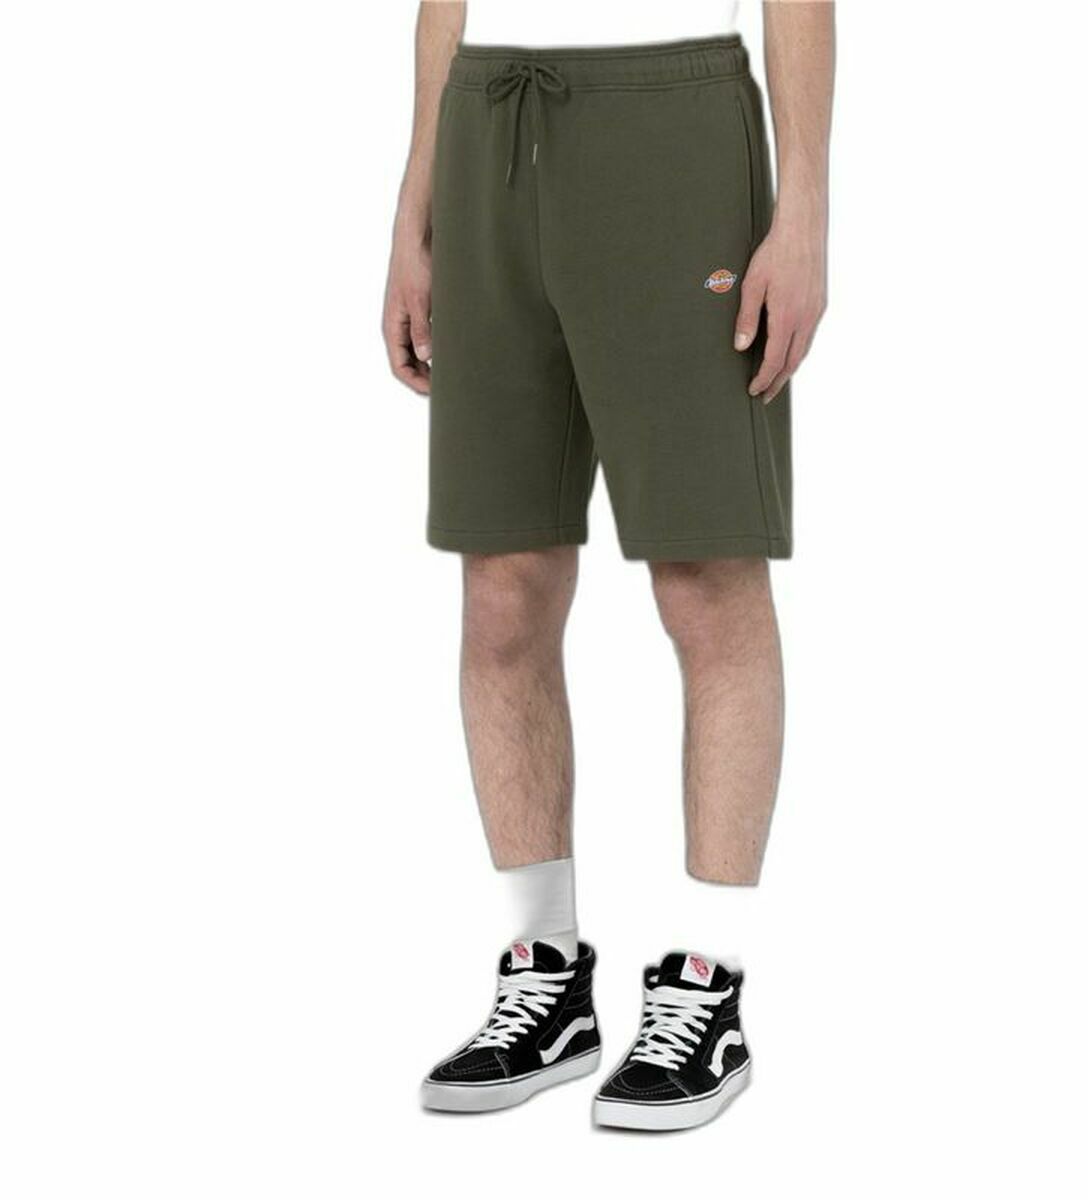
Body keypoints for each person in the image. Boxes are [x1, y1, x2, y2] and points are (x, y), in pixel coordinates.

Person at [383, 0, 834, 1130]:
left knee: (706, 576)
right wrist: (414, 206)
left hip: (672, 120)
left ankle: (707, 987)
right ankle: (547, 980)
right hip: (489, 122)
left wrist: (806, 208)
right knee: (502, 585)